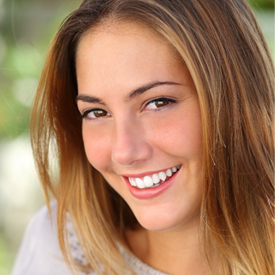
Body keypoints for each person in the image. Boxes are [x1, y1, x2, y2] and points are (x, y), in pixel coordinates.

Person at [12, 0, 274, 274]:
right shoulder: (57, 250)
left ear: (236, 101)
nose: (124, 152)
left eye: (158, 103)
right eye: (96, 112)